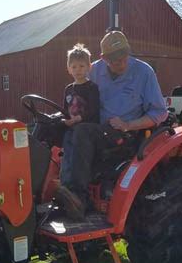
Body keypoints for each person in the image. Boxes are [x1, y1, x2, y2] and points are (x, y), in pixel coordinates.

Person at [55, 31, 168, 220]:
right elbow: (79, 96)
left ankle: (78, 198)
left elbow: (159, 112)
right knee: (54, 127)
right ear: (103, 58)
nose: (120, 63)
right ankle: (43, 192)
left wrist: (128, 124)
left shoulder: (144, 72)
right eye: (114, 60)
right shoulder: (93, 70)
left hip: (125, 135)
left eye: (123, 57)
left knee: (82, 132)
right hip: (97, 130)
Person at [60, 43, 100, 187]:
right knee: (66, 155)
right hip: (71, 128)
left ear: (89, 67)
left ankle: (77, 185)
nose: (78, 70)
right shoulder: (68, 89)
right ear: (69, 68)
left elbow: (93, 110)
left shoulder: (91, 88)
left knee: (76, 153)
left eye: (82, 66)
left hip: (87, 128)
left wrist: (78, 118)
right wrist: (63, 119)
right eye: (74, 67)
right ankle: (64, 183)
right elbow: (65, 109)